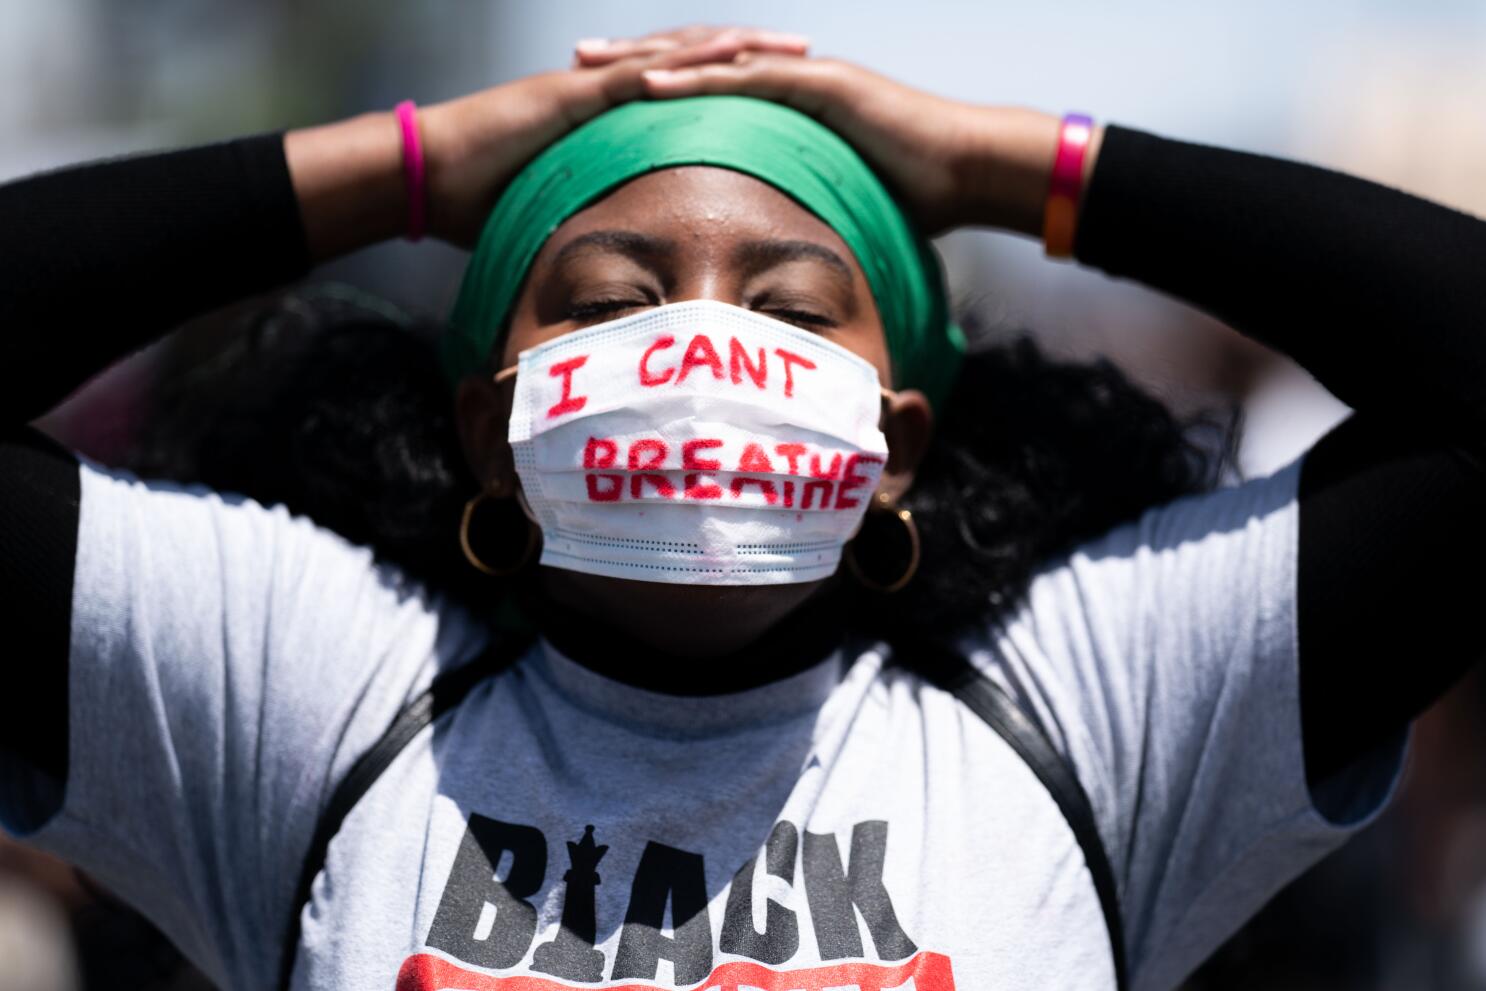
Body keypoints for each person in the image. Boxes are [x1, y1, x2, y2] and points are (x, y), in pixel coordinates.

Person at [1, 24, 1482, 991]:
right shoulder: (292, 684)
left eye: (790, 306)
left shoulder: (1109, 701)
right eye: (607, 302)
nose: (702, 350)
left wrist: (1004, 167)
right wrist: (404, 169)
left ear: (896, 439)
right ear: (490, 425)